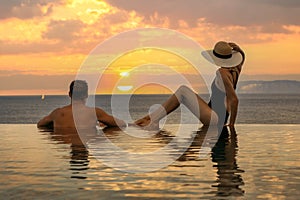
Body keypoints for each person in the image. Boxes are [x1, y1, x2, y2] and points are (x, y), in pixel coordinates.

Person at [135, 41, 245, 128]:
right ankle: (150, 118)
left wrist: (231, 124)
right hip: (217, 115)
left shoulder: (222, 73)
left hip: (215, 118)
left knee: (183, 91)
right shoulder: (236, 70)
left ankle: (153, 120)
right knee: (183, 91)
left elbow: (234, 99)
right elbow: (242, 58)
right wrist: (239, 50)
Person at [37, 80, 126, 129]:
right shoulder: (94, 113)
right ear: (86, 94)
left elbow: (40, 124)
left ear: (69, 94)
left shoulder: (57, 113)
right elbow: (121, 124)